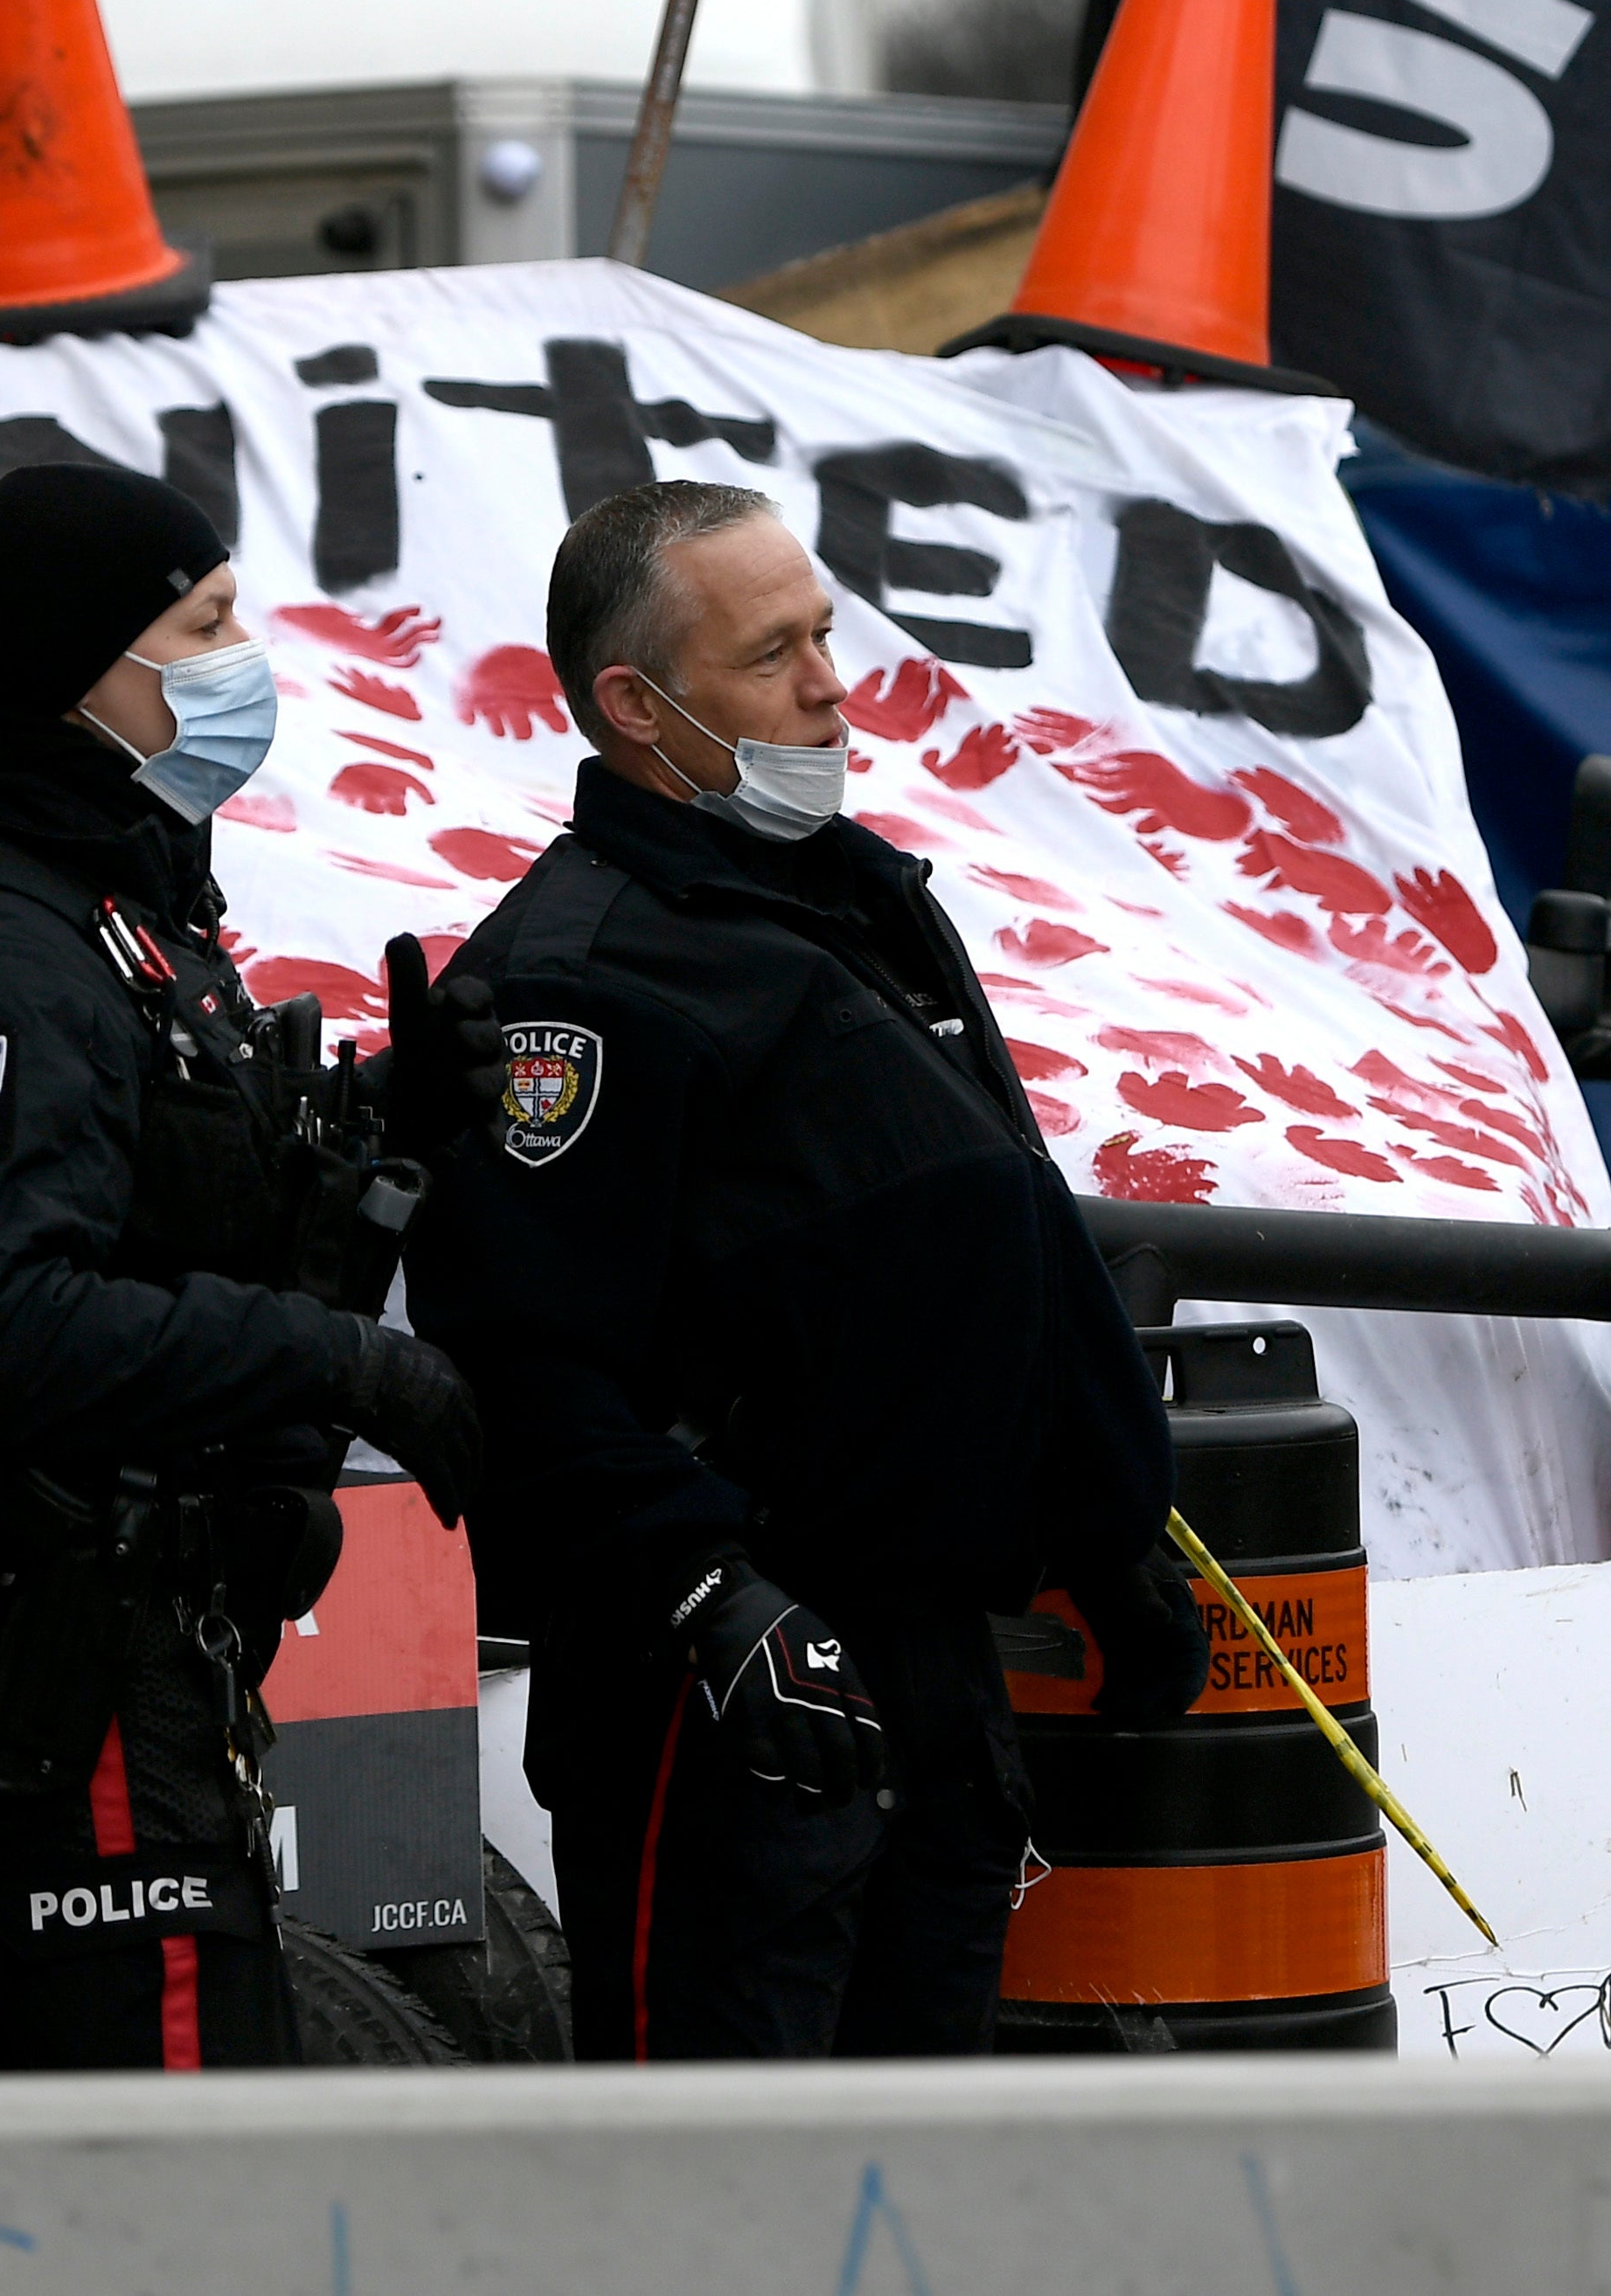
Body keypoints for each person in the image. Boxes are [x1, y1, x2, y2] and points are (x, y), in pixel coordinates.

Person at [404, 480, 1203, 2062]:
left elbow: (991, 1250)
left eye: (824, 633)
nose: (831, 684)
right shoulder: (580, 976)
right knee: (728, 2203)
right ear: (637, 706)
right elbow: (522, 1361)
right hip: (720, 1698)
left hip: (926, 1672)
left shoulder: (853, 905)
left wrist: (1104, 1533)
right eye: (773, 654)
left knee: (909, 2196)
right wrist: (715, 1598)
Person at [0, 461, 496, 2071]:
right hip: (63, 1662)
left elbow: (173, 1214)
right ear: (92, 668)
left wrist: (380, 1140)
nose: (240, 658)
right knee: (171, 2187)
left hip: (154, 1651)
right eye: (204, 625)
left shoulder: (129, 917)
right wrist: (343, 1365)